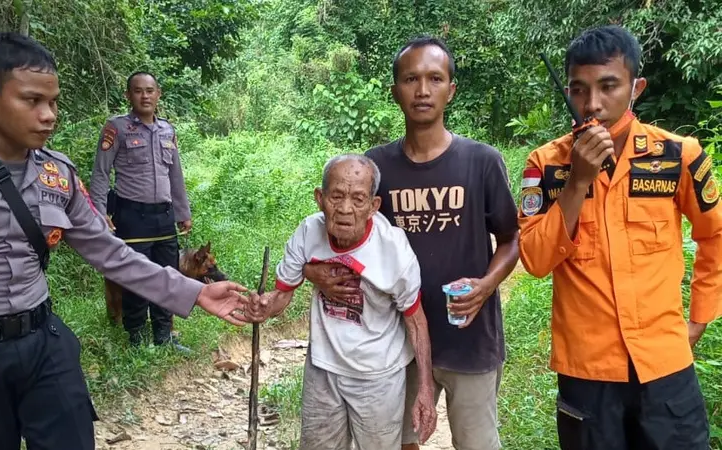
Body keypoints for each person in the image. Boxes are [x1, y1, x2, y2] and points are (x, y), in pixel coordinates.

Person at [0, 32, 251, 450]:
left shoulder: (55, 174)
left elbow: (110, 252)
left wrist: (193, 292)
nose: (48, 115)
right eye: (32, 101)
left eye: (54, 102)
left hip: (42, 342)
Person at [303, 36, 520, 450]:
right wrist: (312, 270)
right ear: (394, 91)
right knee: (400, 442)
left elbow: (510, 241)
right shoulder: (376, 167)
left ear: (451, 90)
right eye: (411, 79)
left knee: (476, 443)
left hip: (469, 341)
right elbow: (343, 236)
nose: (423, 90)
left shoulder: (482, 161)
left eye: (435, 78)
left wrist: (487, 286)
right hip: (394, 342)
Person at [517, 25, 721, 449]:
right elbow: (535, 261)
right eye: (578, 89)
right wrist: (577, 182)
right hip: (586, 373)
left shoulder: (678, 156)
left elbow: (715, 235)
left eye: (608, 86)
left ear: (635, 88)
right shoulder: (546, 165)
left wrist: (697, 321)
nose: (592, 104)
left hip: (665, 368)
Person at [246, 154, 437, 449]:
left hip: (379, 377)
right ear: (320, 199)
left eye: (359, 199)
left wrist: (425, 388)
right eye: (336, 196)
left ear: (373, 207)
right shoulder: (308, 233)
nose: (346, 209)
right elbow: (282, 295)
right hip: (323, 369)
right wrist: (264, 306)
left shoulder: (393, 250)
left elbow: (416, 321)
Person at [89, 71, 193, 349]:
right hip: (132, 216)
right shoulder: (117, 128)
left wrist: (183, 211)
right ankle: (135, 336)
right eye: (138, 91)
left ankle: (163, 335)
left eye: (150, 90)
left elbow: (176, 175)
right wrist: (100, 213)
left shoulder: (167, 130)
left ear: (158, 94)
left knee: (167, 276)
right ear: (128, 95)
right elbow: (101, 173)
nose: (144, 96)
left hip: (164, 217)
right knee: (135, 278)